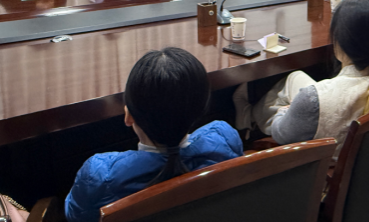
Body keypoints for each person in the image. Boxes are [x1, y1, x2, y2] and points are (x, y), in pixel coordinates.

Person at [65, 48, 242, 222]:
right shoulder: (225, 138)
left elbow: (75, 216)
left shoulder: (99, 175)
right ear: (201, 110)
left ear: (128, 116)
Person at [232, 0, 369, 151]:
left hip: (322, 167)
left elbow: (281, 134)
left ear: (339, 42)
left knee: (284, 105)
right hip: (368, 163)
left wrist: (284, 112)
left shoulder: (311, 99)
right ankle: (249, 116)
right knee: (295, 78)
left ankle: (249, 118)